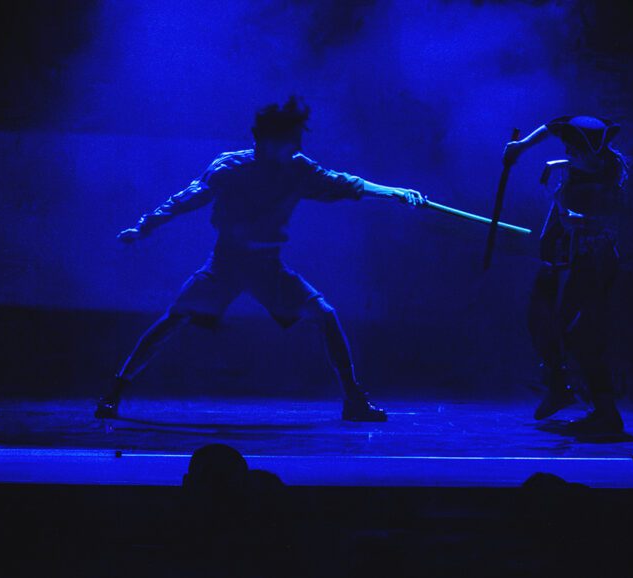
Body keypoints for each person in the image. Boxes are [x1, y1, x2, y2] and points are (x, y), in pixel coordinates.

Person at [95, 95, 425, 422]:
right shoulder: (229, 167)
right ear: (266, 140)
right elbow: (185, 199)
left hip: (268, 267)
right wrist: (144, 227)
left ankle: (354, 400)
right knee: (175, 317)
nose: (296, 147)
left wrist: (396, 193)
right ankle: (114, 393)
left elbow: (346, 183)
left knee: (325, 315)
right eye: (289, 140)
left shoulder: (298, 168)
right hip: (226, 264)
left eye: (296, 140)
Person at [503, 115, 629, 434]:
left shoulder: (603, 188)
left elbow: (594, 225)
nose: (568, 154)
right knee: (542, 320)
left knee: (581, 336)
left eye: (574, 150)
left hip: (592, 265)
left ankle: (605, 412)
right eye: (568, 149)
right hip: (564, 262)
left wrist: (569, 212)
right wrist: (522, 147)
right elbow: (553, 125)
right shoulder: (579, 169)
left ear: (590, 154)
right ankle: (559, 385)